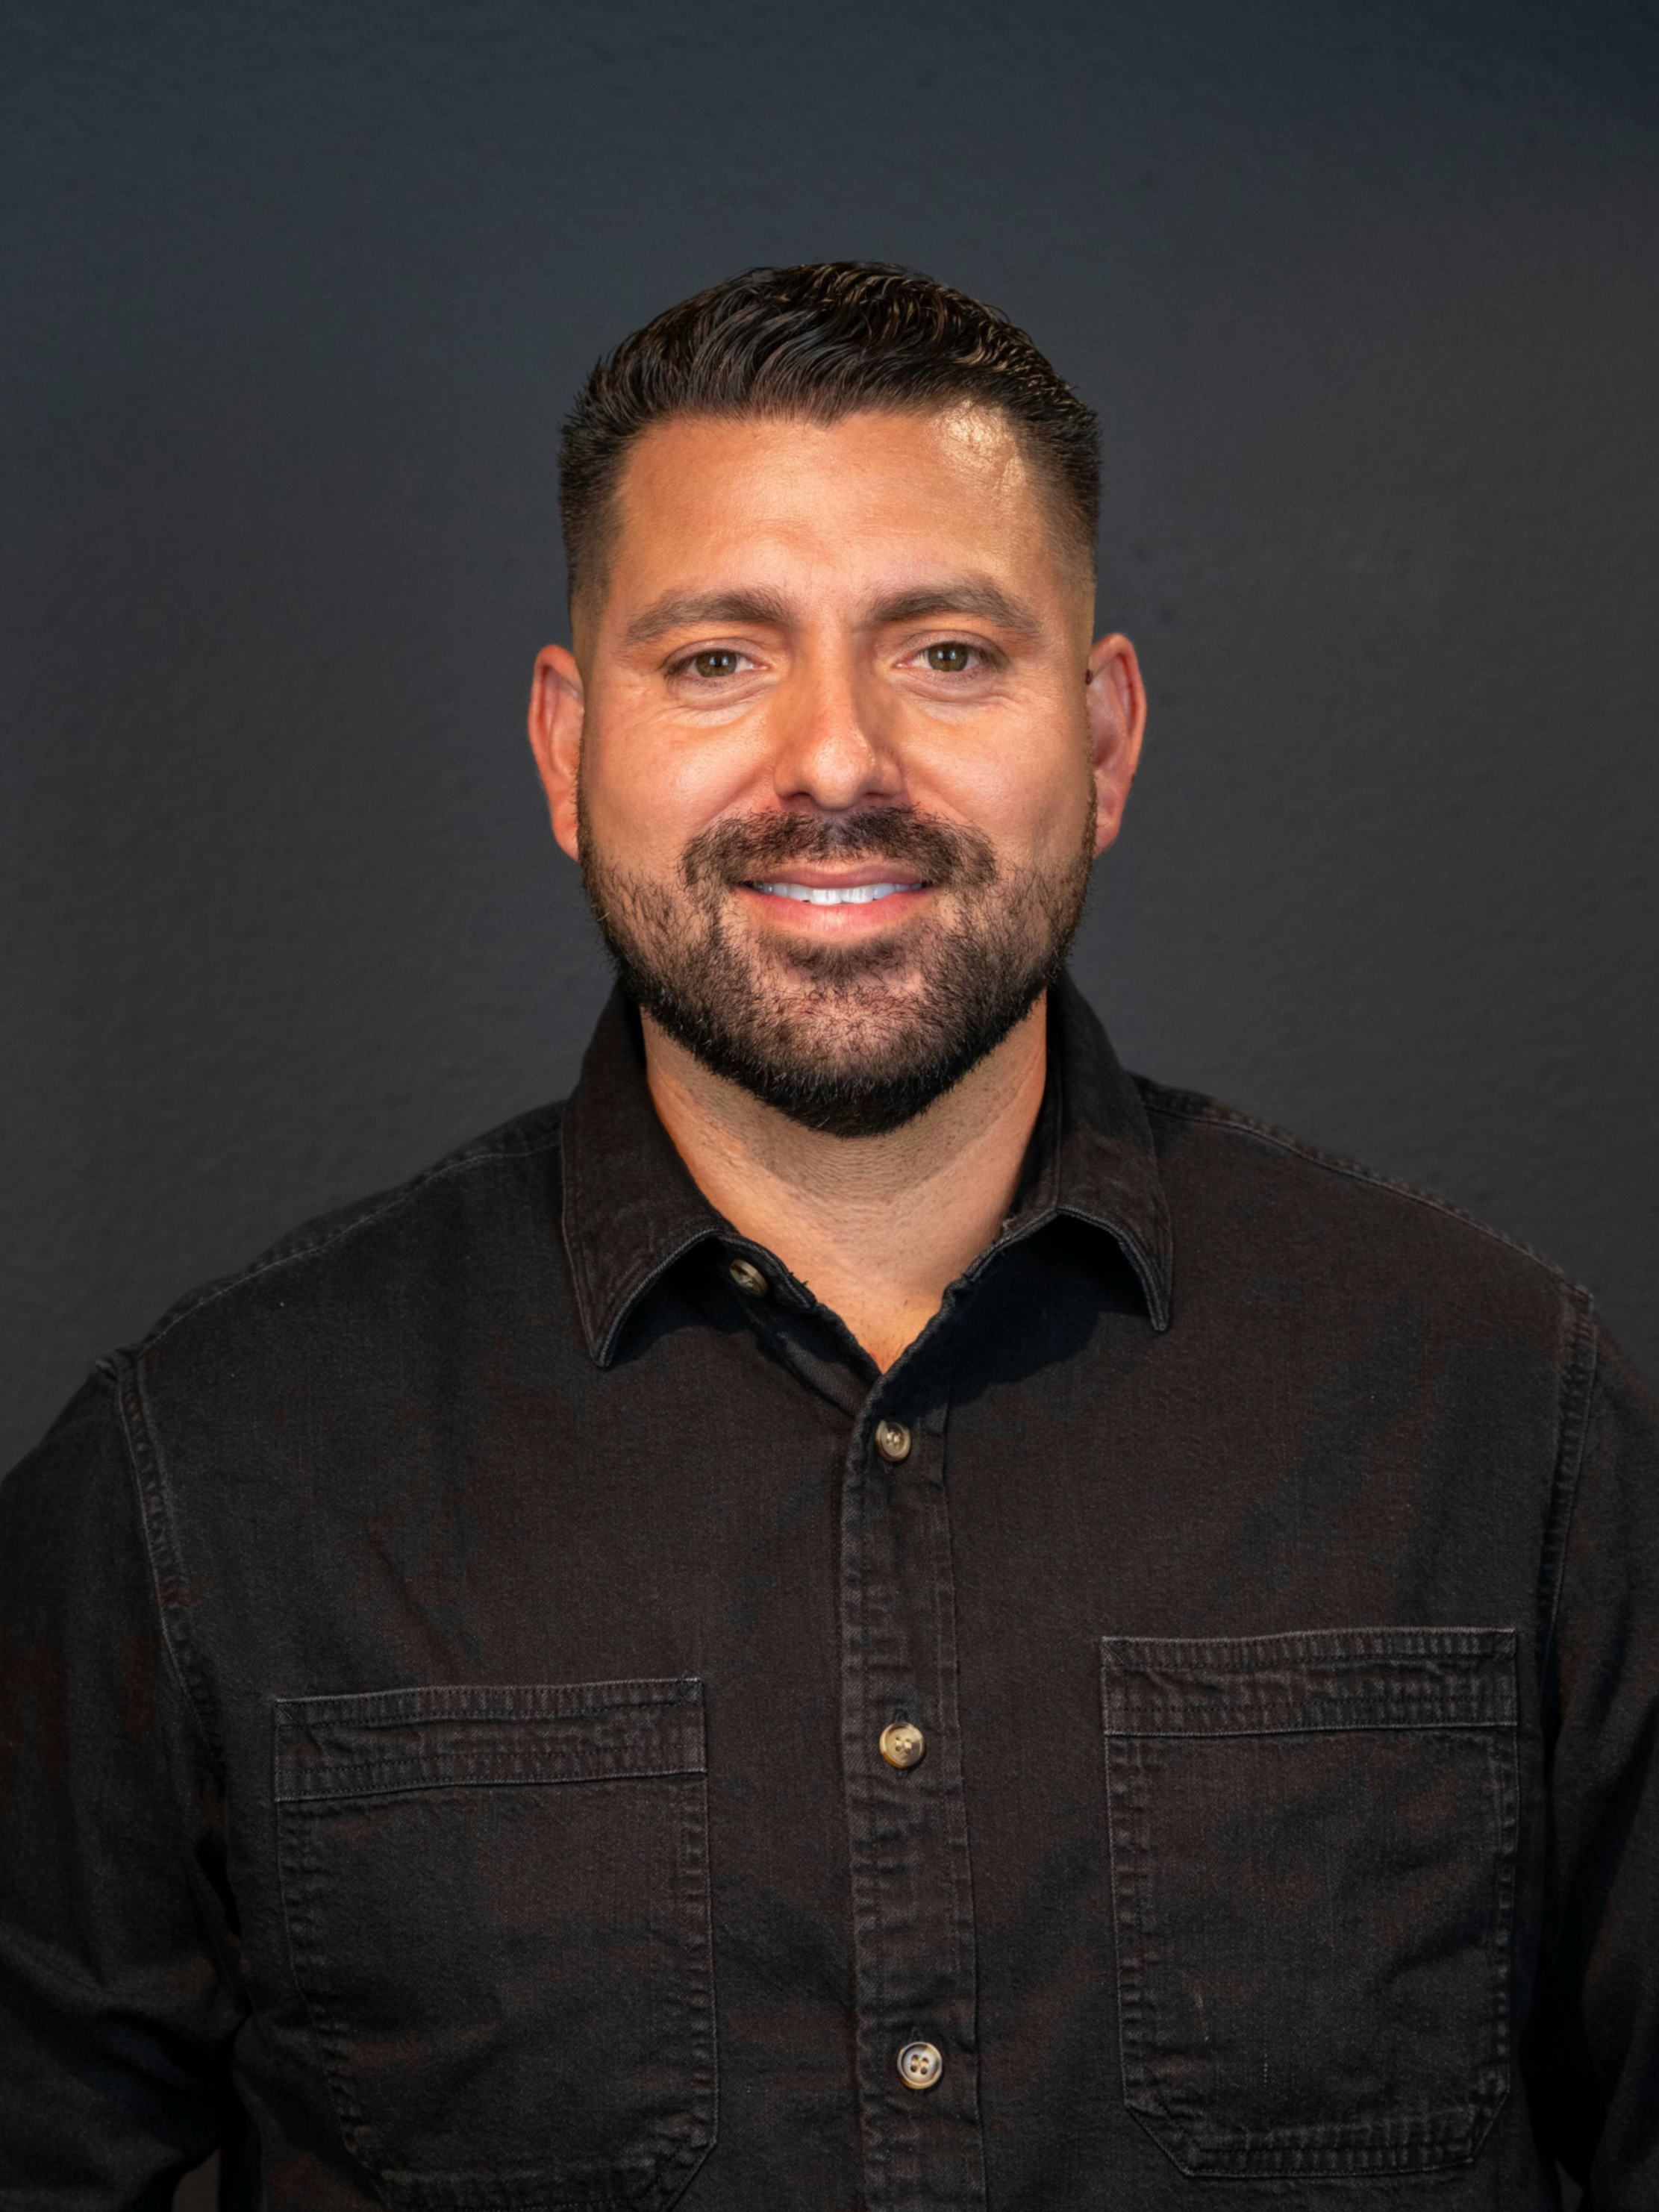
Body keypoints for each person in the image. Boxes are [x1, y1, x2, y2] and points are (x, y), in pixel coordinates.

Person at [0, 262, 1652, 2212]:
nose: (839, 759)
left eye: (945, 650)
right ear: (567, 750)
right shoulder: (198, 1477)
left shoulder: (1503, 1414)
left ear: (1105, 740)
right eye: (718, 658)